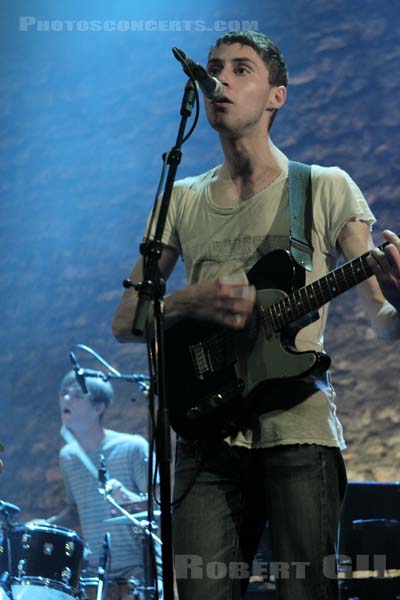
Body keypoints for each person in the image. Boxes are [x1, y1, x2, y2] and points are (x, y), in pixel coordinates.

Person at [112, 30, 400, 600]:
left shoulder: (324, 187)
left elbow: (384, 321)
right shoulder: (181, 198)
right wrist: (188, 301)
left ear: (277, 97)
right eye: (216, 67)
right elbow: (127, 321)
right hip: (205, 438)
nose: (221, 78)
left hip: (298, 432)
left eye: (242, 69)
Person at [46, 371, 155, 600]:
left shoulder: (133, 447)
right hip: (96, 576)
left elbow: (160, 505)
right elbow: (76, 511)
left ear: (99, 407)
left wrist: (126, 496)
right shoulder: (68, 456)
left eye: (76, 395)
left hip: (138, 574)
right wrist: (47, 525)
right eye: (63, 394)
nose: (66, 399)